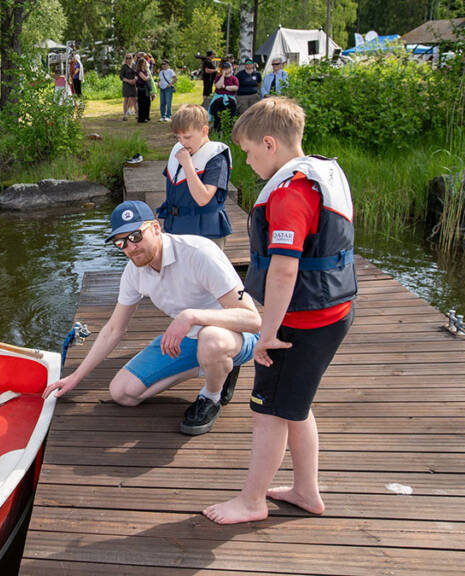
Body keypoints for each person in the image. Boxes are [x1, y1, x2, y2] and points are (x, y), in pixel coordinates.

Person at [203, 97, 356, 525]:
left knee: (267, 411)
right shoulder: (320, 173)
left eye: (249, 152)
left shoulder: (291, 193)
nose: (247, 161)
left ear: (270, 143)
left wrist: (266, 334)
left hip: (300, 323)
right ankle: (306, 490)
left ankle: (252, 502)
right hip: (332, 312)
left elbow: (285, 272)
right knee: (295, 406)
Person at [43, 200, 260, 436]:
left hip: (234, 336)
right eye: (120, 242)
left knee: (211, 339)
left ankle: (211, 397)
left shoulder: (199, 253)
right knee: (122, 393)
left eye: (136, 236)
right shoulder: (133, 272)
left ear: (156, 228)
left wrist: (191, 316)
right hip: (190, 339)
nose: (130, 247)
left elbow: (252, 320)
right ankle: (218, 366)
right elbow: (114, 329)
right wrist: (76, 376)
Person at [159, 104, 233, 248]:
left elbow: (203, 198)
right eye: (178, 137)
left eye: (187, 137)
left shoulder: (217, 158)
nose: (182, 143)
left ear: (204, 131)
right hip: (175, 231)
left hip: (206, 235)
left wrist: (187, 165)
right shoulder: (179, 149)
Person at [208, 61, 239, 132]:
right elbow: (218, 86)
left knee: (231, 116)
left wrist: (225, 87)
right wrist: (223, 76)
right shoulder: (218, 77)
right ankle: (217, 132)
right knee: (217, 117)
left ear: (231, 69)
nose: (226, 70)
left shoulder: (234, 78)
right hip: (218, 99)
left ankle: (228, 132)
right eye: (225, 69)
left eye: (228, 68)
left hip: (230, 99)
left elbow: (235, 87)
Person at [120, 54, 137, 121]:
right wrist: (128, 81)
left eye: (130, 58)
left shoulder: (134, 66)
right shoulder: (124, 67)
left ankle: (137, 114)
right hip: (126, 85)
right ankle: (125, 115)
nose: (129, 59)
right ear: (125, 59)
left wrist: (135, 80)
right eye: (127, 58)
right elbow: (121, 77)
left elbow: (137, 74)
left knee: (134, 100)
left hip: (133, 84)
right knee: (126, 100)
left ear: (132, 59)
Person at [135, 58, 152, 123]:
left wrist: (148, 76)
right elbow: (145, 78)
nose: (145, 64)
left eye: (145, 62)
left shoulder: (145, 70)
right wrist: (148, 76)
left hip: (146, 88)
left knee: (147, 102)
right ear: (141, 63)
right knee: (142, 104)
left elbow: (147, 77)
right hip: (141, 88)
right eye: (144, 62)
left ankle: (146, 116)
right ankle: (141, 118)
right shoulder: (139, 71)